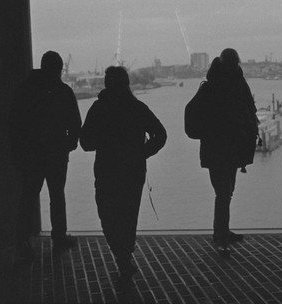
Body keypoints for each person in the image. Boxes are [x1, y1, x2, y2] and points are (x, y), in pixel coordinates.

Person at [80, 66, 166, 283]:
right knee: (129, 213)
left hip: (107, 169)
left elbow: (86, 143)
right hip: (133, 170)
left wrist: (104, 141)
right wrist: (142, 153)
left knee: (107, 214)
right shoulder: (136, 107)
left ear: (107, 83)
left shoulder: (99, 108)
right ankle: (125, 254)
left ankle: (120, 254)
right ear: (127, 83)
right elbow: (161, 135)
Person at [9, 51, 81, 260]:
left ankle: (22, 242)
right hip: (57, 154)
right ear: (59, 69)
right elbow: (75, 123)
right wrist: (69, 144)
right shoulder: (63, 91)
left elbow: (14, 125)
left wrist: (18, 154)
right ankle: (59, 237)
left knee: (28, 197)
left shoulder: (24, 90)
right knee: (57, 196)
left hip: (31, 155)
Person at [195, 48, 258, 257]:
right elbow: (249, 112)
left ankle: (221, 232)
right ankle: (222, 237)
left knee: (224, 192)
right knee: (225, 192)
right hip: (232, 147)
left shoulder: (211, 86)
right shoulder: (239, 84)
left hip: (215, 147)